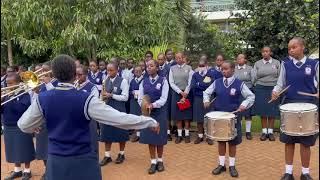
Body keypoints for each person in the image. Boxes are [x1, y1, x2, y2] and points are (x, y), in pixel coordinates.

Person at [17, 54, 159, 180]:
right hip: (83, 161)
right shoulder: (86, 99)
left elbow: (23, 125)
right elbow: (119, 119)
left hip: (56, 162)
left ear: (53, 74)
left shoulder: (42, 98)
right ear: (74, 74)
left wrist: (33, 126)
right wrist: (148, 121)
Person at [271, 37, 319, 180]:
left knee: (306, 142)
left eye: (294, 47)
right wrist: (275, 91)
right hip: (289, 106)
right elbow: (280, 83)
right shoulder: (285, 64)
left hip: (309, 107)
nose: (290, 50)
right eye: (289, 48)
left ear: (302, 47)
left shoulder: (315, 64)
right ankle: (288, 172)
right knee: (289, 141)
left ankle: (305, 173)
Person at [203, 61, 255, 178]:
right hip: (219, 117)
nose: (224, 71)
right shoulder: (216, 82)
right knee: (221, 141)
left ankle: (232, 166)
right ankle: (221, 165)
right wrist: (206, 100)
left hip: (233, 117)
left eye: (226, 69)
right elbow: (206, 92)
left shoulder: (239, 84)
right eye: (222, 69)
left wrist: (244, 104)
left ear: (233, 70)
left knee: (232, 142)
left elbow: (251, 96)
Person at [2, 73, 35, 180]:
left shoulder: (23, 94)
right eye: (7, 83)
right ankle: (17, 170)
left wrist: (11, 97)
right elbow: (3, 110)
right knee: (12, 148)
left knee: (24, 147)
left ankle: (27, 170)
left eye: (11, 83)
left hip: (21, 125)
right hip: (8, 125)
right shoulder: (6, 94)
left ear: (18, 83)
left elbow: (21, 108)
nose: (8, 85)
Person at [138, 60, 169, 174]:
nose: (148, 68)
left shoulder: (163, 81)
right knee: (150, 138)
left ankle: (160, 161)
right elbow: (140, 99)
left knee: (159, 137)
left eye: (151, 66)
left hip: (159, 112)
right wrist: (144, 105)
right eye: (147, 66)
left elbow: (164, 98)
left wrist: (154, 105)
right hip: (148, 113)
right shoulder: (143, 82)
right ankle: (153, 162)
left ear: (157, 68)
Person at [99, 63, 130, 166]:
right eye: (108, 70)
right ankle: (107, 155)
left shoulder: (123, 81)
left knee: (121, 132)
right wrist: (102, 98)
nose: (109, 72)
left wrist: (112, 95)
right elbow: (101, 97)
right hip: (107, 111)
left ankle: (121, 153)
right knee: (106, 132)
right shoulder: (105, 81)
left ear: (117, 70)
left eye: (111, 70)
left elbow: (125, 97)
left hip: (119, 110)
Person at [33, 62, 58, 180]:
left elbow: (56, 98)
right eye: (41, 71)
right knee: (42, 148)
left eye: (45, 71)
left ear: (52, 72)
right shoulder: (40, 85)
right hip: (41, 121)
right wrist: (35, 91)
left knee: (54, 149)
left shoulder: (58, 83)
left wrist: (48, 83)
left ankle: (54, 171)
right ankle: (47, 170)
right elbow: (34, 103)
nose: (42, 73)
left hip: (55, 122)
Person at [252, 47, 281, 141]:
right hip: (260, 88)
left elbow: (280, 76)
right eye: (263, 51)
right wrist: (256, 85)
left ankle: (271, 132)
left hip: (273, 89)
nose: (265, 53)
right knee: (263, 110)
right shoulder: (257, 63)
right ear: (262, 53)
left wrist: (277, 88)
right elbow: (254, 77)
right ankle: (264, 132)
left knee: (272, 111)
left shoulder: (276, 63)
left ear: (270, 52)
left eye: (267, 51)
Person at [169, 52, 194, 144]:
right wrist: (180, 92)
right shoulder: (172, 68)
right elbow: (171, 82)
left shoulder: (189, 68)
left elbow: (190, 81)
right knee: (178, 116)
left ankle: (187, 135)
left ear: (183, 58)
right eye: (177, 58)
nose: (178, 59)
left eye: (180, 57)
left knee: (186, 116)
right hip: (176, 93)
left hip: (187, 93)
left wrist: (185, 93)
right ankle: (179, 135)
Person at [76, 65, 100, 158]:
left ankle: (94, 163)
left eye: (80, 75)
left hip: (89, 119)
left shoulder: (92, 87)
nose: (77, 77)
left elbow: (94, 103)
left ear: (86, 75)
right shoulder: (73, 86)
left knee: (92, 141)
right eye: (76, 75)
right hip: (77, 119)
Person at [191, 57, 215, 145]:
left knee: (209, 118)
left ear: (206, 65)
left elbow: (210, 85)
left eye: (203, 65)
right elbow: (193, 85)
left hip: (208, 98)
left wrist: (199, 84)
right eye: (199, 65)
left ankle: (209, 137)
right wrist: (203, 84)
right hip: (198, 98)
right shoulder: (195, 74)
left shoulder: (210, 74)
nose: (201, 67)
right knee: (199, 118)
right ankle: (200, 136)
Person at [234, 54, 254, 140]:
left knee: (248, 114)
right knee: (239, 113)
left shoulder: (250, 68)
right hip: (238, 93)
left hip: (247, 92)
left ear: (245, 60)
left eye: (241, 58)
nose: (239, 59)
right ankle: (240, 131)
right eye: (238, 58)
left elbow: (253, 80)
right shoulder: (234, 69)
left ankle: (248, 132)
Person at [157, 53, 172, 140]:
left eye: (161, 59)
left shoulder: (168, 68)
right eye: (158, 59)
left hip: (167, 93)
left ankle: (168, 133)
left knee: (167, 113)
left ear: (164, 59)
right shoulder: (156, 68)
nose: (160, 61)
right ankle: (159, 131)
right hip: (157, 93)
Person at [129, 66, 144, 142]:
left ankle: (140, 134)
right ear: (134, 72)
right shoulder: (132, 81)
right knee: (135, 117)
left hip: (141, 101)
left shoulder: (144, 80)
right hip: (134, 102)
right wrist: (132, 93)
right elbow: (129, 91)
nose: (138, 72)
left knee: (141, 116)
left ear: (142, 71)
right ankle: (136, 134)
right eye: (136, 71)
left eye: (139, 71)